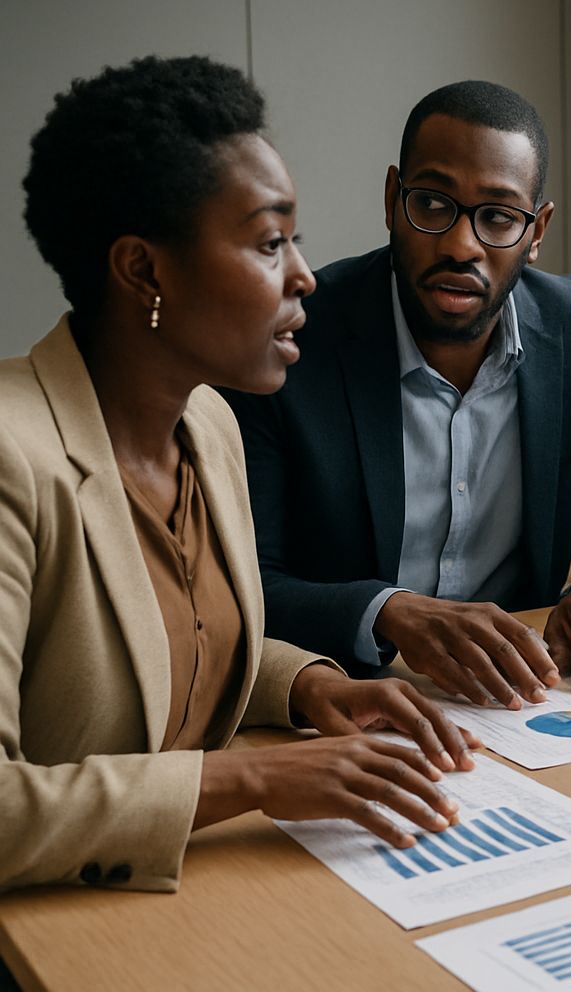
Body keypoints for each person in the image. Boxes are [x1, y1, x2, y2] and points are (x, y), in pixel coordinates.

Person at [2, 56, 479, 892]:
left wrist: (309, 686)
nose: (303, 275)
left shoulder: (208, 422)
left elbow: (171, 648)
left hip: (194, 896)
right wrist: (253, 777)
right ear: (143, 270)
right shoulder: (13, 458)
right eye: (269, 243)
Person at [224, 81, 571, 707]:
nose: (461, 245)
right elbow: (243, 583)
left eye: (498, 217)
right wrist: (389, 612)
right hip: (352, 695)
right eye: (434, 205)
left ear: (537, 230)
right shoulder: (292, 337)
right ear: (392, 199)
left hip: (527, 700)